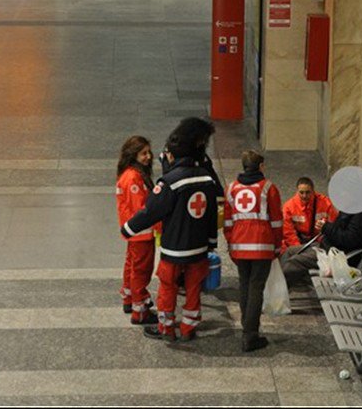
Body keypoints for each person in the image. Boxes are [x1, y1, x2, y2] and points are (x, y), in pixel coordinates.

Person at [122, 117, 219, 342]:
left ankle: (166, 328)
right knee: (193, 288)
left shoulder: (170, 182)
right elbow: (212, 215)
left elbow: (150, 212)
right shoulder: (207, 179)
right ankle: (188, 327)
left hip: (174, 248)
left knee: (168, 287)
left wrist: (128, 228)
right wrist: (211, 242)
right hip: (199, 247)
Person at [223, 150, 282, 352]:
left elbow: (228, 221)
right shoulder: (268, 188)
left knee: (245, 285)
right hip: (262, 246)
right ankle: (250, 335)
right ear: (261, 166)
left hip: (239, 245)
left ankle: (246, 327)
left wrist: (231, 243)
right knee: (256, 287)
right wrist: (277, 245)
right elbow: (276, 221)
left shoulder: (231, 188)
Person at [115, 135, 159, 325]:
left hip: (133, 233)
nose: (148, 156)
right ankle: (139, 311)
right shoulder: (133, 178)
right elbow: (141, 210)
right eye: (143, 153)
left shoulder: (130, 173)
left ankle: (129, 298)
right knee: (141, 270)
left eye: (148, 152)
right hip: (141, 233)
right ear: (133, 155)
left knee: (131, 266)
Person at [279, 178, 338, 286]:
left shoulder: (325, 203)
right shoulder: (289, 206)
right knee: (285, 251)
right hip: (299, 241)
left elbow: (334, 225)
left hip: (319, 242)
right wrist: (299, 248)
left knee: (295, 259)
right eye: (301, 192)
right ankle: (281, 283)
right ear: (297, 191)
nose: (304, 196)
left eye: (308, 192)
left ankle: (283, 283)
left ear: (313, 191)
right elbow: (288, 232)